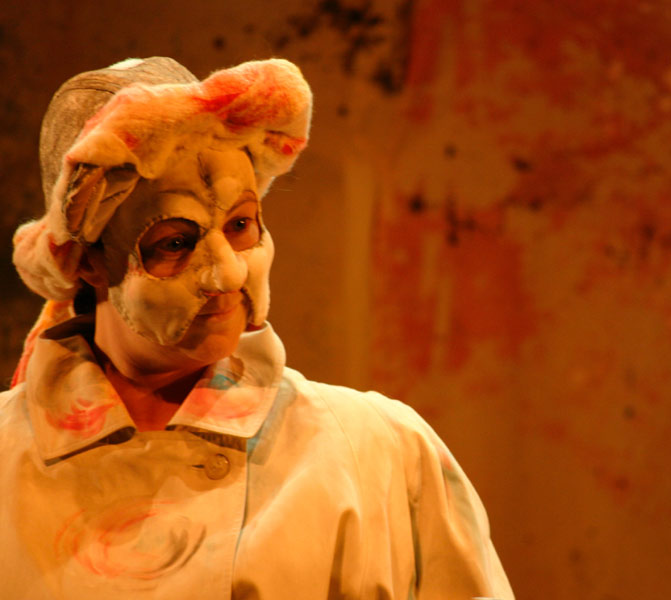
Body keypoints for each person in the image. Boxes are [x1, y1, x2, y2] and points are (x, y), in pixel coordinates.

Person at [0, 57, 513, 600]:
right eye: (175, 242)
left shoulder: (378, 452)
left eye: (241, 225)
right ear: (87, 263)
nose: (228, 273)